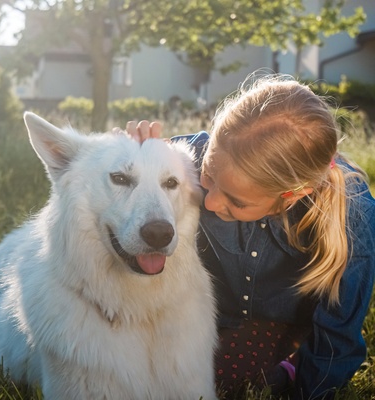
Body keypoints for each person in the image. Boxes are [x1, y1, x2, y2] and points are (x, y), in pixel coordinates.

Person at [126, 74, 375, 399]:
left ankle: (289, 364)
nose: (212, 201)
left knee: (207, 383)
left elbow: (336, 338)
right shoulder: (187, 157)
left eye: (237, 201)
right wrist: (135, 159)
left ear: (292, 195)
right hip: (208, 314)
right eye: (209, 175)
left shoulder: (353, 216)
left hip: (279, 324)